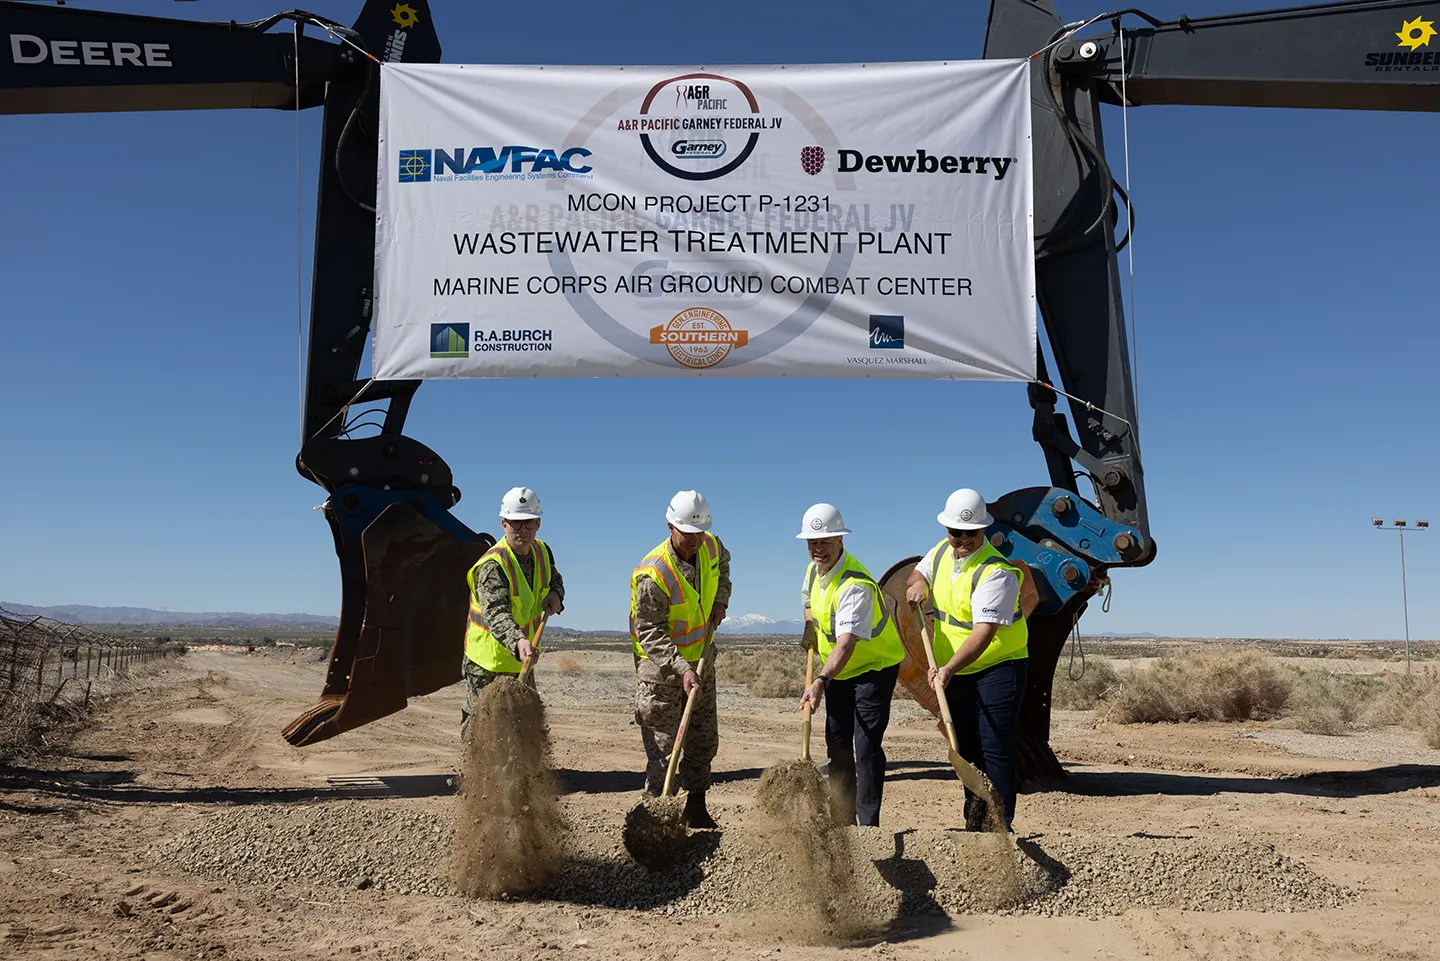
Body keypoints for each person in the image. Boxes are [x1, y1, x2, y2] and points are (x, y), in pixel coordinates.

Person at [905, 488, 1029, 830]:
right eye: (954, 532)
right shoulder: (942, 552)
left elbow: (983, 633)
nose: (961, 539)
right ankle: (975, 820)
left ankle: (999, 824)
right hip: (956, 670)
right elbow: (920, 572)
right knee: (965, 748)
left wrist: (947, 669)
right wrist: (918, 586)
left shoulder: (996, 573)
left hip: (998, 667)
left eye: (969, 533)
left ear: (983, 530)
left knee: (993, 746)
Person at [796, 504, 906, 827]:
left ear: (840, 541)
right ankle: (842, 823)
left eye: (825, 541)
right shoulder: (813, 571)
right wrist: (809, 625)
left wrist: (820, 681)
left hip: (874, 669)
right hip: (840, 671)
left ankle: (868, 826)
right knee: (838, 742)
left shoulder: (854, 585)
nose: (818, 549)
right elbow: (807, 599)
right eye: (813, 542)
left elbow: (846, 643)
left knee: (866, 745)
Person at [629, 489, 731, 828]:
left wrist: (721, 599)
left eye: (699, 533)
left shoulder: (711, 546)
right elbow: (649, 631)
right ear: (670, 526)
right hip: (661, 673)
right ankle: (657, 821)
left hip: (702, 661)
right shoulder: (653, 574)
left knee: (703, 741)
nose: (694, 540)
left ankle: (697, 809)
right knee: (664, 752)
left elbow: (724, 565)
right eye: (687, 533)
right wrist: (681, 668)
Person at [459, 486, 564, 740]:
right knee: (484, 729)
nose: (523, 531)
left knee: (524, 722)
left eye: (529, 524)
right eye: (516, 524)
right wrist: (518, 641)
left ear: (538, 523)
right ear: (504, 524)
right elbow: (497, 613)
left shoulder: (542, 552)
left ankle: (525, 776)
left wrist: (556, 594)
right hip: (487, 662)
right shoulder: (493, 566)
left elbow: (554, 579)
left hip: (522, 657)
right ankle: (477, 776)